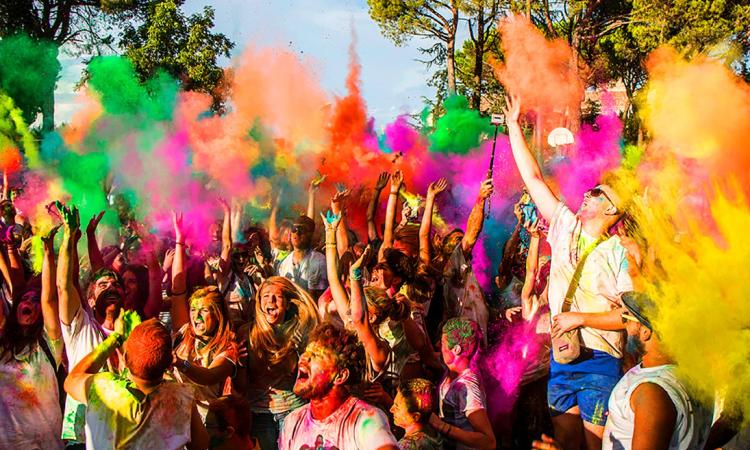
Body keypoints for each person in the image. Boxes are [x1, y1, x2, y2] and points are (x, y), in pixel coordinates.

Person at [504, 94, 633, 450]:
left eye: (596, 194)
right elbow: (532, 178)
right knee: (566, 445)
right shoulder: (565, 226)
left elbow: (628, 317)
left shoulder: (619, 252)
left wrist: (579, 318)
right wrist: (515, 125)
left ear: (611, 211)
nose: (586, 195)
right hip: (562, 359)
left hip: (599, 361)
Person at [532, 291, 713, 450]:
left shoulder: (652, 395)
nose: (622, 323)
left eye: (626, 317)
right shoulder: (694, 377)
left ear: (645, 332)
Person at [64, 316, 208, 449]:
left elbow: (71, 380)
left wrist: (115, 338)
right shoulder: (182, 398)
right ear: (169, 363)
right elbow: (201, 445)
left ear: (125, 359)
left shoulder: (103, 388)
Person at [57, 202, 129, 444]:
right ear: (89, 298)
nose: (111, 287)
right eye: (102, 286)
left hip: (123, 435)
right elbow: (65, 284)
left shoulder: (134, 331)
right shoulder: (80, 325)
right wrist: (69, 237)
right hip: (82, 436)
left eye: (116, 285)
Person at [278, 322, 399, 450]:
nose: (303, 358)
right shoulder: (292, 422)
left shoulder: (365, 419)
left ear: (340, 376)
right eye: (306, 352)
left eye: (316, 355)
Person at [237, 276, 320, 449]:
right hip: (260, 413)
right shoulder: (246, 334)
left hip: (293, 411)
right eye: (266, 296)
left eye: (278, 297)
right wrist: (239, 363)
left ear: (288, 304)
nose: (271, 300)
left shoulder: (299, 335)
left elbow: (308, 380)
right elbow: (240, 387)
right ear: (258, 302)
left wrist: (298, 352)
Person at [0, 227, 63, 449]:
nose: (29, 302)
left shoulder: (49, 343)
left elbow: (50, 299)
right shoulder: (2, 347)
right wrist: (7, 249)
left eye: (35, 300)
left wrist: (48, 254)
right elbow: (12, 289)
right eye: (25, 299)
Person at [171, 211, 238, 420]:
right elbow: (178, 288)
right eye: (193, 310)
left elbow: (208, 377)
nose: (196, 316)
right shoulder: (184, 333)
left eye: (204, 310)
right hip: (177, 423)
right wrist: (180, 242)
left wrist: (180, 363)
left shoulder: (229, 347)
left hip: (209, 426)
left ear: (217, 314)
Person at [430, 317, 496, 450]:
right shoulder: (450, 370)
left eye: (442, 343)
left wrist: (442, 427)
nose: (437, 345)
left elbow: (489, 442)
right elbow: (426, 353)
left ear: (456, 350)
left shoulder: (468, 387)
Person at [277, 214, 327, 298]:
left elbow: (316, 300)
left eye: (302, 229)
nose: (297, 232)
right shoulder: (283, 263)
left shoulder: (319, 261)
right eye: (294, 229)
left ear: (311, 234)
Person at [391, 378, 444, 450]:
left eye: (397, 407)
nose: (391, 410)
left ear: (415, 417)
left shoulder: (406, 446)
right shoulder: (434, 433)